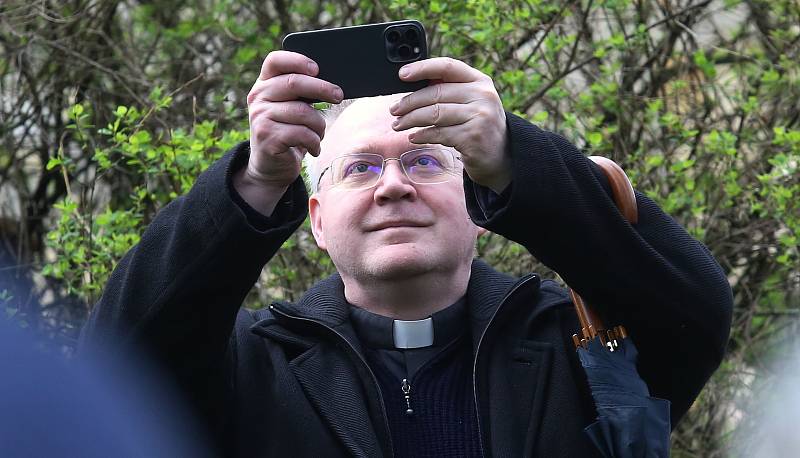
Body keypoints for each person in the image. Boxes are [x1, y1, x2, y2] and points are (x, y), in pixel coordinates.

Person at [80, 50, 733, 457]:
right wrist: (253, 181)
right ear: (316, 220)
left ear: (480, 207)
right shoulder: (252, 367)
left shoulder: (585, 351)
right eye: (359, 169)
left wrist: (515, 157)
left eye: (423, 161)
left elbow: (696, 313)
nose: (393, 186)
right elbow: (118, 372)